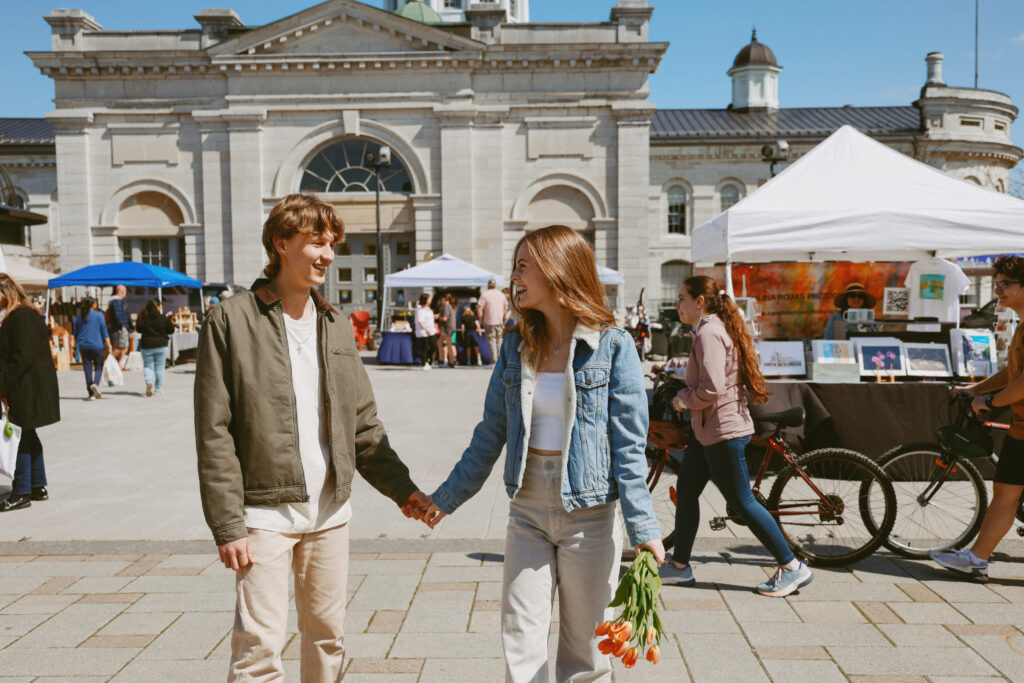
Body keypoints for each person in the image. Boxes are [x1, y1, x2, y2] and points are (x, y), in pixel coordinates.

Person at [409, 225, 665, 681]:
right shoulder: (516, 346)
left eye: (524, 266)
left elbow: (629, 445)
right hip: (526, 506)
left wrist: (643, 526)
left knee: (585, 648)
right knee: (520, 637)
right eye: (515, 266)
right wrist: (445, 499)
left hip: (589, 512)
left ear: (558, 270)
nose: (515, 276)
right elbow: (490, 434)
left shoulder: (613, 346)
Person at [194, 193, 428, 681]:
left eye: (331, 244)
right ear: (281, 243)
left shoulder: (335, 324)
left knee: (327, 639)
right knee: (258, 649)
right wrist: (227, 524)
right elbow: (213, 431)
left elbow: (363, 423)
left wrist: (403, 490)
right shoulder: (230, 320)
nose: (327, 255)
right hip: (263, 512)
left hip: (329, 514)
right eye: (315, 242)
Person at [667, 275, 814, 597]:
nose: (677, 304)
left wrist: (682, 400)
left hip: (722, 429)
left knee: (742, 501)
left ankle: (792, 567)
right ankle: (679, 566)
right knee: (688, 491)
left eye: (681, 297)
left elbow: (712, 388)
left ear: (699, 301)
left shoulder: (709, 332)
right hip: (707, 430)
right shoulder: (712, 329)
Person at [930, 256, 1024, 582]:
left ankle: (976, 558)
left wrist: (991, 401)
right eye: (996, 283)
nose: (997, 290)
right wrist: (976, 388)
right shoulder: (1022, 325)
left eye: (1005, 284)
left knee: (1006, 493)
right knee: (1005, 492)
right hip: (1021, 429)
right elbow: (1012, 373)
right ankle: (975, 558)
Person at [0, 274, 60, 512]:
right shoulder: (25, 314)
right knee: (28, 434)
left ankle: (22, 491)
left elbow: (19, 358)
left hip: (24, 387)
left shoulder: (21, 317)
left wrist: (2, 387)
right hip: (29, 386)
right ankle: (37, 485)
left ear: (6, 294)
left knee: (19, 437)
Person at [73, 297, 111, 400]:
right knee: (98, 366)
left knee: (87, 368)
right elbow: (104, 331)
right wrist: (109, 345)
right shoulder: (99, 315)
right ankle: (96, 385)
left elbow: (75, 333)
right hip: (97, 345)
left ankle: (90, 393)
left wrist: (74, 347)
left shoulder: (79, 317)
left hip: (83, 346)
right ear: (93, 304)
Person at [137, 299, 175, 396]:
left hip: (146, 345)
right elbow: (171, 330)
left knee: (148, 366)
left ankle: (149, 381)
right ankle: (158, 389)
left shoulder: (143, 318)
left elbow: (138, 329)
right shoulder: (163, 318)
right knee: (160, 367)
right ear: (157, 307)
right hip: (161, 345)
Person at [478, 278, 508, 367]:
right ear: (495, 285)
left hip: (489, 321)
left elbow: (479, 309)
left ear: (488, 285)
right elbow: (506, 308)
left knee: (492, 341)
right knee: (500, 341)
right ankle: (501, 362)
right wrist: (502, 318)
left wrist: (482, 320)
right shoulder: (501, 295)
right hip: (499, 322)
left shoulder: (485, 295)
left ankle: (494, 362)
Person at [106, 284, 133, 369]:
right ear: (121, 292)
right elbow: (118, 314)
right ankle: (109, 362)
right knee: (122, 347)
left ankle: (119, 364)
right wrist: (122, 325)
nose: (125, 294)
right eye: (125, 292)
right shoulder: (117, 302)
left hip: (118, 327)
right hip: (121, 327)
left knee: (118, 346)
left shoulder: (115, 302)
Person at [413, 292, 437, 371]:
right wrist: (426, 330)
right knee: (425, 347)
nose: (430, 300)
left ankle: (429, 361)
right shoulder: (420, 310)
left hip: (431, 330)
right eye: (429, 299)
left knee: (434, 346)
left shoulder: (428, 309)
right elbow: (420, 322)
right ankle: (424, 363)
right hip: (423, 332)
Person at [437, 292, 458, 368]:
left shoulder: (446, 306)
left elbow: (445, 318)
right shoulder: (452, 306)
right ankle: (443, 360)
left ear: (444, 299)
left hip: (447, 329)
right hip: (451, 328)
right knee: (441, 343)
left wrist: (438, 317)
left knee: (448, 345)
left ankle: (450, 361)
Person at [461, 299, 483, 367]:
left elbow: (462, 328)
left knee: (468, 348)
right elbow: (477, 325)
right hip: (474, 333)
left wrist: (463, 335)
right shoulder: (474, 317)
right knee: (476, 347)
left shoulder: (464, 318)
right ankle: (479, 360)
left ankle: (469, 361)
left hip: (467, 333)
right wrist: (479, 332)